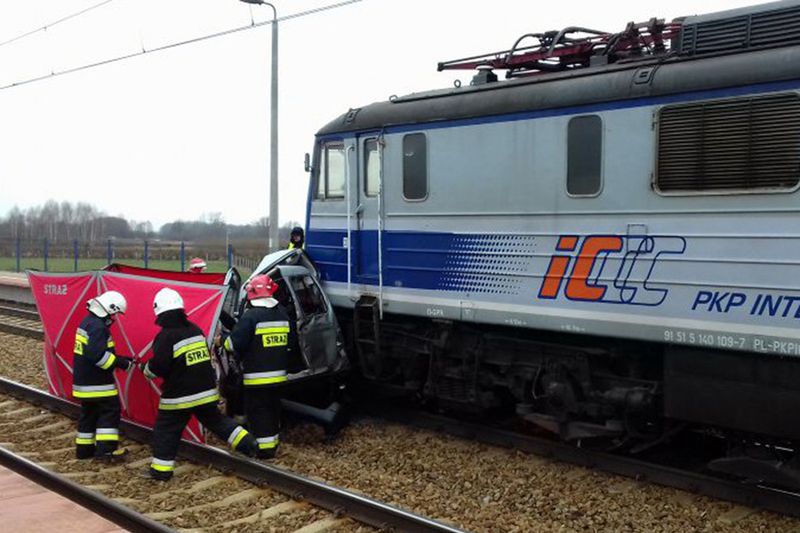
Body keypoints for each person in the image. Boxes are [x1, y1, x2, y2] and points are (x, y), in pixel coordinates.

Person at [140, 287, 257, 480]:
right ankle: (248, 443)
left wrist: (145, 369)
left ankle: (161, 471)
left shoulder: (166, 336)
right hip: (205, 392)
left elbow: (158, 366)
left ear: (159, 312)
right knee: (218, 422)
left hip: (179, 397)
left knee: (165, 430)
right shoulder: (195, 330)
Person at [223, 274, 290, 459]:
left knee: (258, 412)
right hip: (279, 377)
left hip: (257, 377)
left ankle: (263, 450)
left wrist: (223, 340)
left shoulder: (250, 317)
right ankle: (273, 444)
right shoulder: (282, 313)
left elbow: (233, 345)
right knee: (272, 410)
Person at [73, 290, 134, 461]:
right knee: (110, 412)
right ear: (109, 308)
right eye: (115, 312)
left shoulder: (86, 323)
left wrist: (119, 359)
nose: (114, 317)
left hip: (83, 382)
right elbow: (98, 356)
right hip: (98, 384)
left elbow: (92, 352)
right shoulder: (98, 327)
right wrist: (121, 363)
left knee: (89, 415)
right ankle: (106, 452)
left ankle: (84, 451)